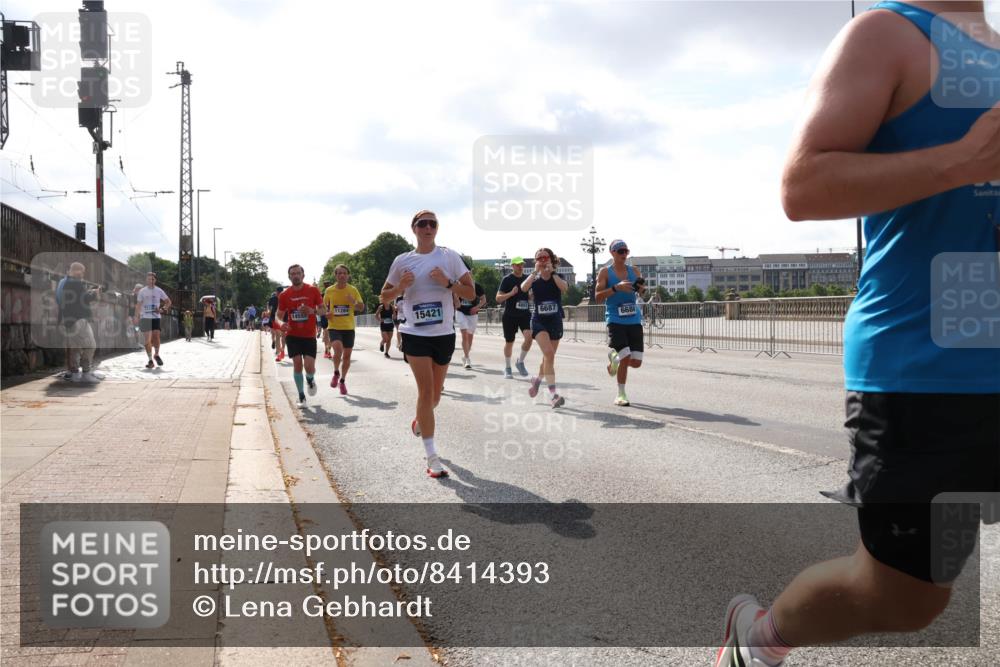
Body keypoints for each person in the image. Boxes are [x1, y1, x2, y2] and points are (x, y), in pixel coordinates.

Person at [716, 3, 1000, 666]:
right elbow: (803, 185)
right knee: (907, 598)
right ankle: (756, 637)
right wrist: (963, 160)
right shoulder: (883, 34)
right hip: (927, 371)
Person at [380, 210, 475, 479]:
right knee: (425, 391)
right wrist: (400, 287)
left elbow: (470, 292)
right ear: (414, 229)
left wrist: (447, 283)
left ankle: (422, 419)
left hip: (443, 333)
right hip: (414, 333)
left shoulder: (449, 257)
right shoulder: (402, 261)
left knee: (435, 396)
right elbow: (383, 296)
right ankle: (432, 457)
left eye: (433, 223)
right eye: (423, 223)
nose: (428, 227)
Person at [595, 240, 646, 406]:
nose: (624, 255)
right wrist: (616, 288)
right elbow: (597, 297)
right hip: (615, 319)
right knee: (625, 356)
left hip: (634, 319)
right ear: (612, 253)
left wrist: (641, 289)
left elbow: (642, 293)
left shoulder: (634, 270)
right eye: (620, 251)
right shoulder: (605, 272)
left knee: (636, 362)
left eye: (626, 251)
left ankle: (614, 359)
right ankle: (621, 394)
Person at [521, 248, 568, 408]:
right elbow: (523, 288)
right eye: (538, 258)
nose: (542, 260)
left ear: (550, 259)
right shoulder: (534, 279)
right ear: (536, 262)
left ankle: (537, 380)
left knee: (548, 358)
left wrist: (553, 272)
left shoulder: (557, 277)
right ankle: (553, 395)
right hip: (539, 321)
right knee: (548, 353)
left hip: (554, 321)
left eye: (545, 257)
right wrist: (535, 272)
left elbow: (564, 288)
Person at [274, 264, 325, 408]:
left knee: (309, 367)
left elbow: (323, 311)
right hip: (293, 335)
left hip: (309, 335)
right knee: (297, 363)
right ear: (289, 277)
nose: (295, 275)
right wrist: (280, 324)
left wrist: (312, 311)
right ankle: (301, 396)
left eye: (298, 273)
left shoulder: (313, 290)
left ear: (303, 275)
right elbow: (278, 315)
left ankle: (310, 379)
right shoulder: (284, 295)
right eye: (292, 274)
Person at [323, 265, 365, 395]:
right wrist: (326, 314)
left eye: (344, 273)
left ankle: (342, 380)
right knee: (338, 350)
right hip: (334, 326)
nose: (342, 275)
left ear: (348, 275)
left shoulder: (353, 290)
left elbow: (361, 308)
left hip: (349, 328)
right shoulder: (329, 290)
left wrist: (353, 302)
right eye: (339, 273)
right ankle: (336, 372)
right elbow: (323, 307)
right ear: (335, 276)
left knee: (347, 357)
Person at [59, 262, 102, 383]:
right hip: (79, 320)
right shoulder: (76, 283)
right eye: (82, 271)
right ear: (76, 271)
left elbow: (77, 298)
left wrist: (88, 292)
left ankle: (74, 374)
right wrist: (95, 293)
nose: (83, 274)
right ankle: (86, 373)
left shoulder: (67, 283)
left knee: (76, 348)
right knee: (90, 346)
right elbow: (85, 299)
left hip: (69, 321)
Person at [496, 256, 534, 379]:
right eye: (517, 264)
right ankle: (507, 367)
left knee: (529, 338)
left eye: (522, 264)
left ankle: (520, 362)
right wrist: (511, 293)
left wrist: (531, 296)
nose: (520, 266)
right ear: (512, 266)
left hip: (524, 314)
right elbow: (498, 298)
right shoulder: (507, 279)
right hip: (510, 315)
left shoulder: (527, 279)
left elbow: (530, 296)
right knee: (509, 342)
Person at [133, 272, 171, 369]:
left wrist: (162, 309)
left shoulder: (159, 291)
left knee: (156, 336)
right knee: (147, 340)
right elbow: (138, 305)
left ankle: (156, 354)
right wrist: (136, 316)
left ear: (155, 280)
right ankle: (150, 360)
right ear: (146, 280)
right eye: (149, 279)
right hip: (145, 317)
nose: (151, 281)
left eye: (153, 279)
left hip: (156, 317)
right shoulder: (142, 291)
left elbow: (168, 302)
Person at [454, 267, 486, 369]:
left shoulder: (477, 286)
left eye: (468, 272)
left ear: (471, 274)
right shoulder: (458, 285)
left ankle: (465, 355)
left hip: (473, 313)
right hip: (461, 312)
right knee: (464, 335)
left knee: (470, 336)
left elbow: (483, 300)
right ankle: (467, 359)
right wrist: (456, 302)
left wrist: (477, 307)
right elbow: (453, 294)